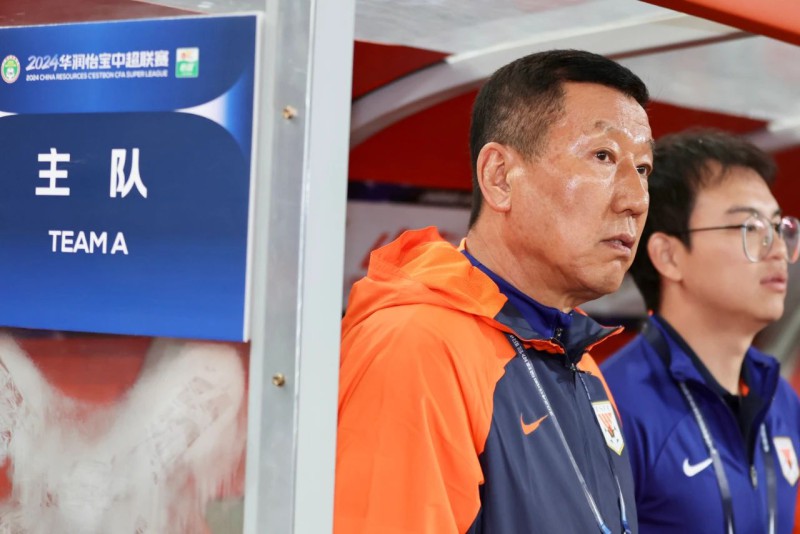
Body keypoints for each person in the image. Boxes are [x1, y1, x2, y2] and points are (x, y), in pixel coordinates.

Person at [334, 49, 654, 533]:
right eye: (603, 156)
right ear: (499, 176)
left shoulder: (580, 361)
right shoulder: (417, 346)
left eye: (644, 168)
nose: (636, 199)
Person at [601, 129, 800, 533]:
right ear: (669, 256)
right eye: (748, 227)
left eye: (778, 227)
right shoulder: (616, 404)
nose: (778, 250)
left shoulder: (780, 398)